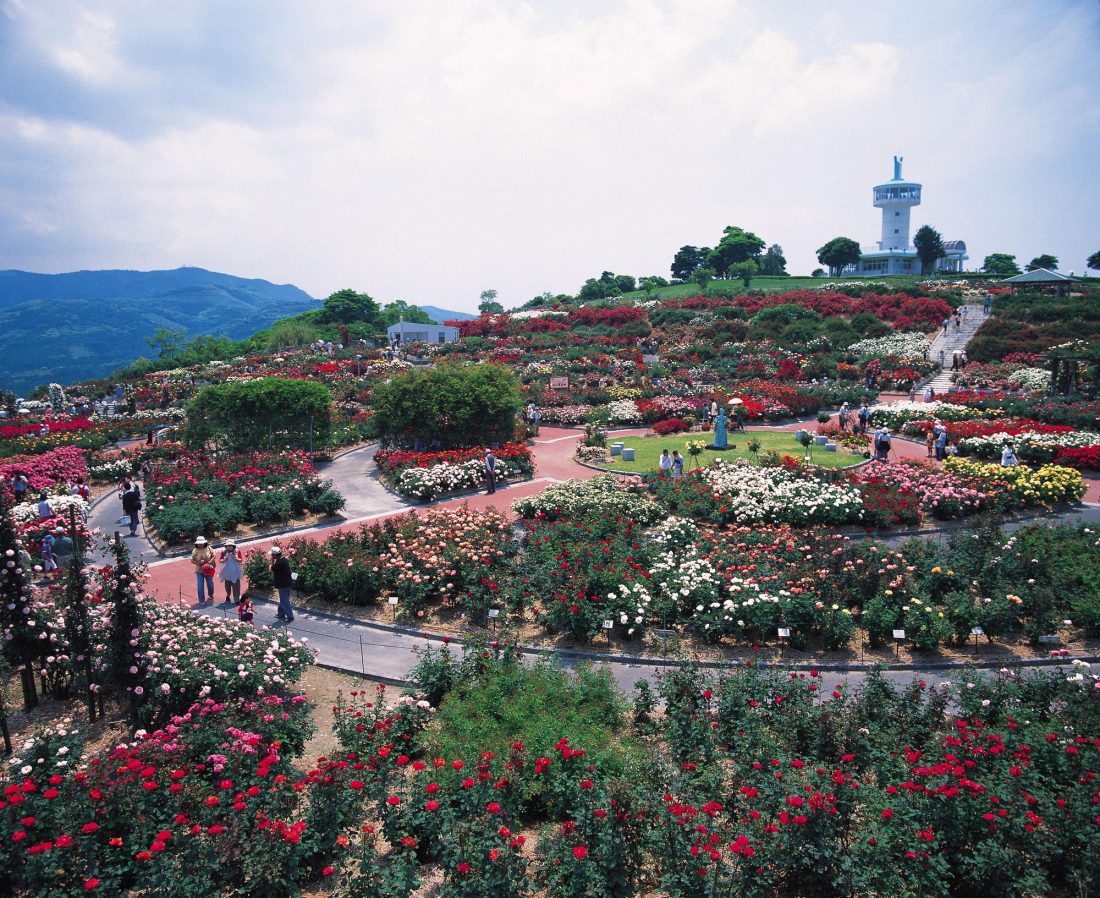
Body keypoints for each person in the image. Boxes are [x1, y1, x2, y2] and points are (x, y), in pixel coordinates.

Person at [271, 546, 295, 623]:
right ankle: (281, 614)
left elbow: (271, 568)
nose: (271, 556)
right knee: (282, 599)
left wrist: (272, 561)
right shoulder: (284, 560)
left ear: (275, 555)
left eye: (272, 555)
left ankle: (290, 616)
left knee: (285, 601)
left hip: (283, 585)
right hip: (287, 583)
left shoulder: (279, 563)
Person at [190, 536, 216, 606]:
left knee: (210, 584)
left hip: (208, 569)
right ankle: (201, 600)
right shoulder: (195, 550)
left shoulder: (209, 548)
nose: (200, 545)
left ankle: (211, 594)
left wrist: (210, 561)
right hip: (199, 570)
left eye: (201, 543)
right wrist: (198, 563)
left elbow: (214, 555)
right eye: (199, 544)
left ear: (204, 543)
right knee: (200, 585)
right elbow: (192, 560)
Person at [218, 539, 245, 604]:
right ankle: (228, 595)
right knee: (227, 586)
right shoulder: (223, 552)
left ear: (233, 546)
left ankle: (236, 599)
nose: (229, 547)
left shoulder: (237, 551)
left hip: (235, 572)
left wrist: (235, 558)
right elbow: (220, 560)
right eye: (227, 546)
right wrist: (224, 559)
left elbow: (240, 560)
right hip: (227, 573)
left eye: (230, 546)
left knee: (236, 586)